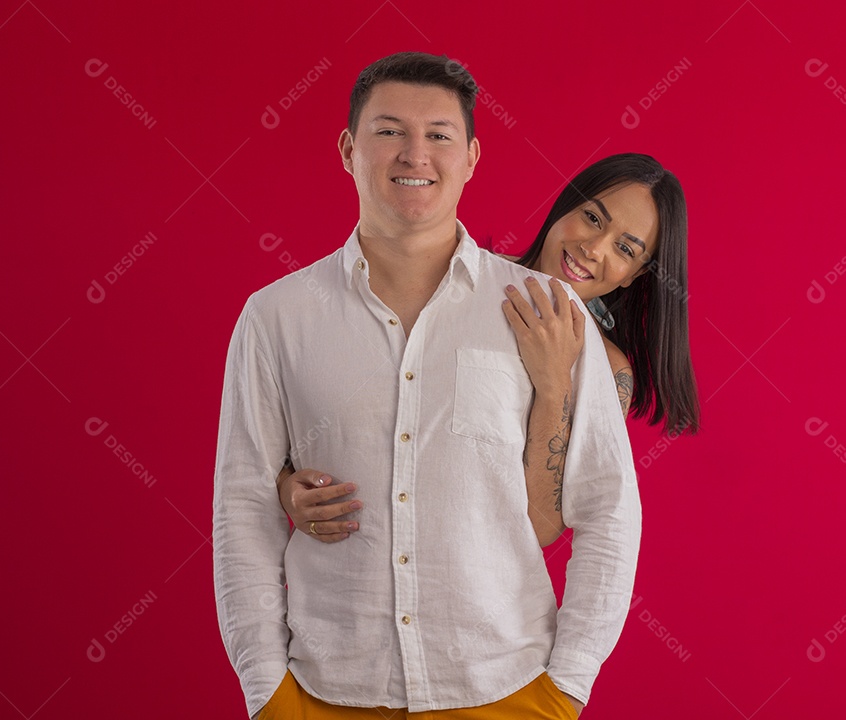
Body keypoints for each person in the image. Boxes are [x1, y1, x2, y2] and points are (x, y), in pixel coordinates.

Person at [213, 52, 638, 719]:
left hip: (507, 692)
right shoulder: (276, 317)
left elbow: (609, 507)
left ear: (470, 156)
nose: (416, 154)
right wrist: (266, 691)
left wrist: (565, 688)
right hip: (326, 692)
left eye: (439, 135)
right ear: (349, 149)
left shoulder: (548, 310)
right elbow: (242, 507)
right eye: (389, 132)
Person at [281, 153, 700, 547]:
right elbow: (340, 400)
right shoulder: (456, 281)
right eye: (592, 218)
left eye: (625, 249)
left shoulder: (607, 372)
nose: (594, 249)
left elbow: (540, 525)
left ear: (635, 275)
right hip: (359, 568)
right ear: (565, 207)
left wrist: (553, 384)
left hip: (479, 597)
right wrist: (288, 488)